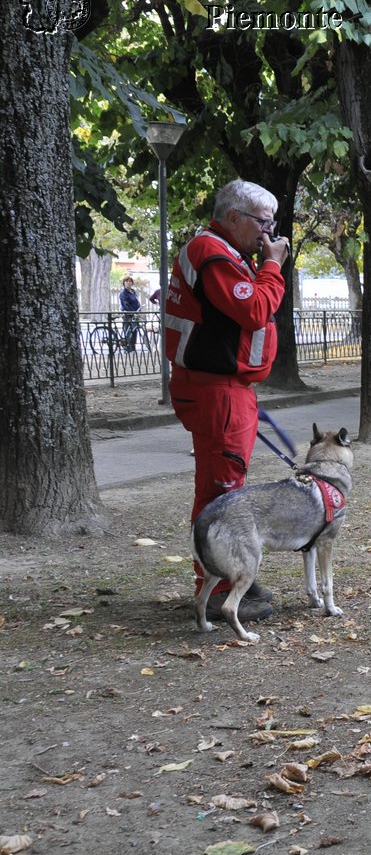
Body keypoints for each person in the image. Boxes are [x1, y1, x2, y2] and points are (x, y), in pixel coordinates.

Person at [163, 179, 289, 623]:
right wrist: (273, 267)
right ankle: (217, 589)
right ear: (233, 217)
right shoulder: (211, 252)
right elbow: (254, 310)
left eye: (271, 224)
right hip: (216, 390)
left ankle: (230, 577)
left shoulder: (223, 251)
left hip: (224, 388)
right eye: (263, 223)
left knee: (223, 488)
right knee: (222, 493)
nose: (268, 233)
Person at [118, 277, 141, 352]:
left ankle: (133, 346)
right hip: (128, 314)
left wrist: (138, 310)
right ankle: (128, 346)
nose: (128, 283)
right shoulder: (123, 293)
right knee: (128, 330)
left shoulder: (133, 291)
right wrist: (131, 312)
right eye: (127, 281)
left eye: (130, 281)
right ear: (124, 283)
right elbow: (125, 304)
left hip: (135, 313)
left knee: (134, 330)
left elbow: (136, 301)